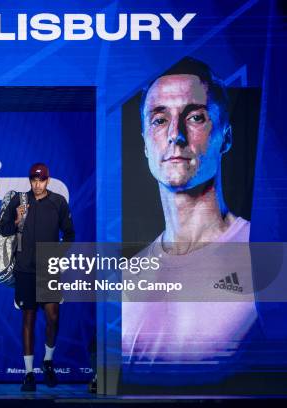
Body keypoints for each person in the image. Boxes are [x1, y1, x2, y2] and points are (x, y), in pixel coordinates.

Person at [122, 57, 257, 366]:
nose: (175, 134)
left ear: (226, 136)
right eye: (159, 120)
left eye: (195, 117)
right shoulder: (126, 277)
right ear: (145, 145)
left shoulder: (266, 257)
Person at [0, 163, 75, 391]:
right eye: (34, 180)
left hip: (49, 270)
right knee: (28, 320)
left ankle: (48, 361)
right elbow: (3, 230)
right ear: (30, 180)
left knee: (52, 317)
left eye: (41, 180)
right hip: (24, 270)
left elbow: (70, 234)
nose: (37, 184)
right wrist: (15, 220)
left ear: (48, 181)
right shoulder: (19, 201)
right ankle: (29, 373)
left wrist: (58, 256)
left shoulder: (58, 202)